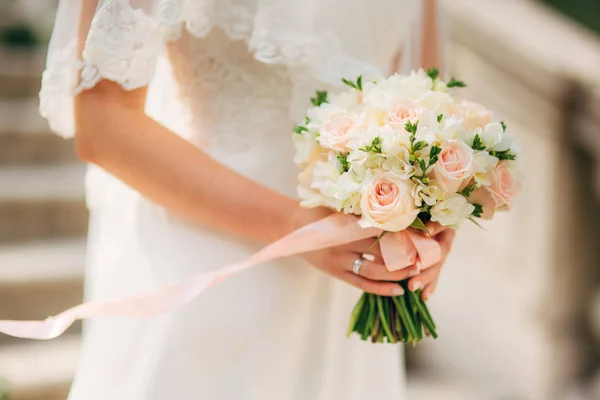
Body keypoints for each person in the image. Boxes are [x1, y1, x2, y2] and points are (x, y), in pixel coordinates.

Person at [40, 0, 454, 398]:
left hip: (345, 291)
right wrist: (299, 228)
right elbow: (102, 124)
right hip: (212, 271)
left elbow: (424, 105)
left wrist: (433, 211)